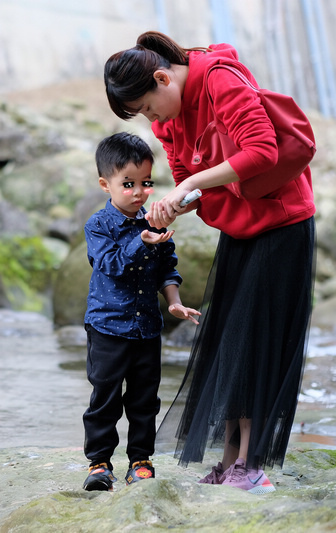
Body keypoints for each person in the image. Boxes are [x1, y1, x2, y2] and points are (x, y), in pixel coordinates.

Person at [103, 31, 316, 494]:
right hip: (240, 228)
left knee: (259, 342)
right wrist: (173, 204)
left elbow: (263, 151)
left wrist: (188, 185)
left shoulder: (219, 79)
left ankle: (251, 465)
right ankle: (229, 463)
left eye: (147, 106)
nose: (150, 119)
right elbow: (188, 182)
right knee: (231, 343)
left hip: (280, 224)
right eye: (140, 114)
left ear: (163, 77)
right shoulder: (170, 117)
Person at [82, 132, 201, 491]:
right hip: (107, 327)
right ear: (106, 184)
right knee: (104, 396)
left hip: (147, 328)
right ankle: (99, 463)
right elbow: (112, 265)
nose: (138, 192)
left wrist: (174, 301)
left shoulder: (154, 221)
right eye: (128, 184)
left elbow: (168, 267)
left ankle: (141, 460)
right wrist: (141, 239)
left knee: (145, 398)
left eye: (146, 183)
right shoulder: (98, 226)